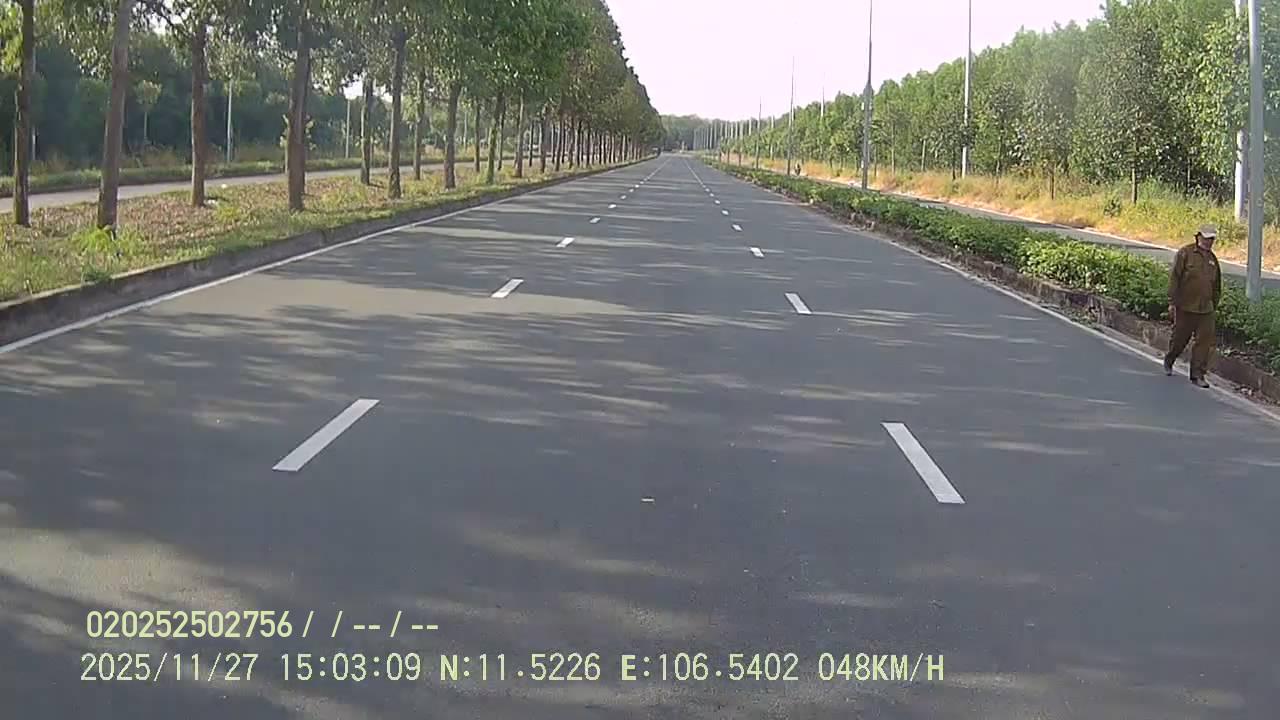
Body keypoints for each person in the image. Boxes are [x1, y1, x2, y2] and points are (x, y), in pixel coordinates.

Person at [1163, 224, 1222, 388]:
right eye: (1206, 238)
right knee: (1180, 339)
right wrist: (1172, 302)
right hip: (1185, 306)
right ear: (1198, 237)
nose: (1209, 241)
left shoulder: (1213, 259)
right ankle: (1170, 359)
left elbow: (1217, 286)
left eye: (1212, 239)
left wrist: (1213, 304)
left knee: (1204, 341)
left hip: (1206, 308)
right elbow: (1175, 278)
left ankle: (1198, 374)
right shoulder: (1185, 253)